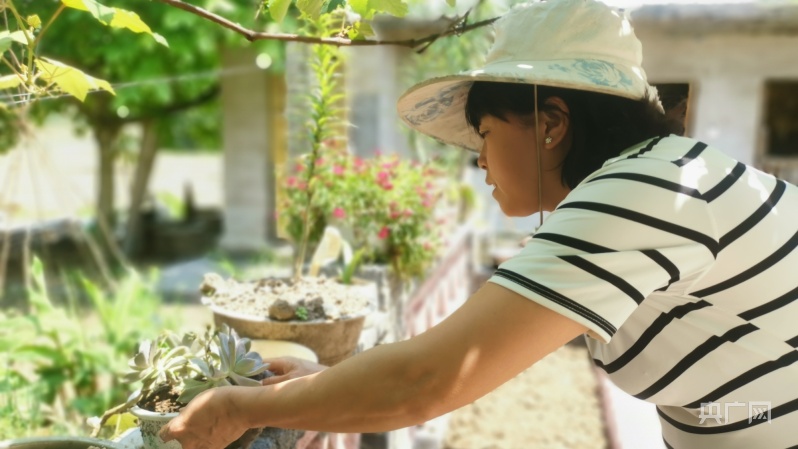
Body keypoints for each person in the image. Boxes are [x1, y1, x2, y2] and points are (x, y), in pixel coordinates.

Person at [160, 1, 798, 448]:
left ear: (550, 123)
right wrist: (325, 387)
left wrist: (239, 407)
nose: (479, 160)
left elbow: (430, 379)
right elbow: (467, 351)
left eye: (486, 134)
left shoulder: (647, 193)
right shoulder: (657, 177)